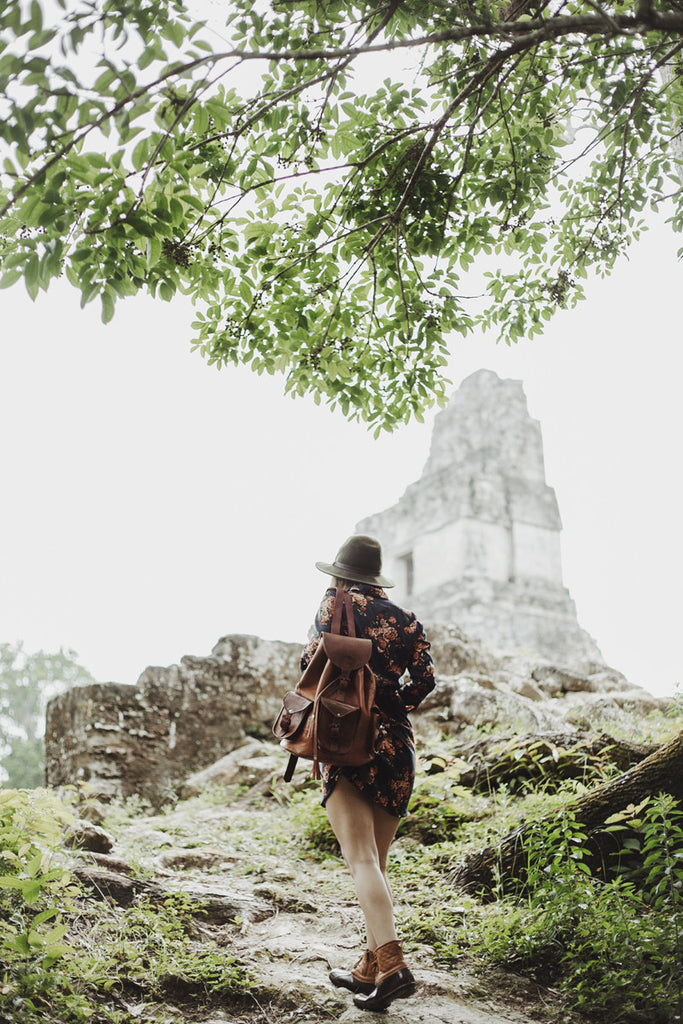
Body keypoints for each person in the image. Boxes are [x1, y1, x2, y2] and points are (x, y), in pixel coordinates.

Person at [301, 534, 435, 1012]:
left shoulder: (333, 604)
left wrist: (363, 704)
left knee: (360, 861)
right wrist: (390, 705)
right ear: (377, 577)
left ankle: (394, 967)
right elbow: (425, 679)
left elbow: (310, 662)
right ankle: (370, 967)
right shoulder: (406, 619)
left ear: (342, 573)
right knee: (374, 864)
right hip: (397, 746)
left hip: (347, 737)